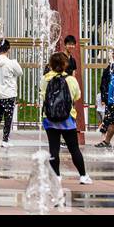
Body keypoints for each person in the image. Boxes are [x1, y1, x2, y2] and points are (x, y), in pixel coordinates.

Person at [40, 51, 93, 184]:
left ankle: (56, 176)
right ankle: (83, 176)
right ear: (65, 65)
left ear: (50, 65)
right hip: (67, 119)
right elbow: (77, 96)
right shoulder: (70, 79)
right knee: (73, 148)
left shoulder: (45, 79)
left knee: (53, 148)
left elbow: (42, 96)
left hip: (49, 118)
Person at [0, 40, 23, 147]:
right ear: (9, 49)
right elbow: (20, 73)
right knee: (8, 117)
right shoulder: (12, 63)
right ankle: (5, 140)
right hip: (9, 94)